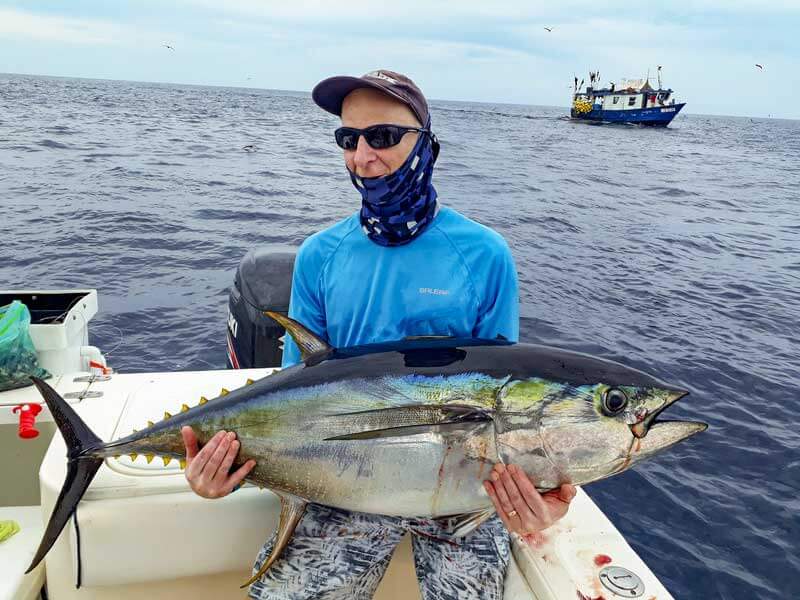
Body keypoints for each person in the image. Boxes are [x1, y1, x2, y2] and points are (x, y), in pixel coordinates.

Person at [181, 69, 576, 600]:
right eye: (348, 139)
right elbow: (294, 398)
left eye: (383, 136)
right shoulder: (320, 255)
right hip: (343, 481)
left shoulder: (484, 255)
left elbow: (505, 400)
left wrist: (540, 495)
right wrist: (224, 471)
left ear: (426, 143)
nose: (363, 156)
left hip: (460, 492)